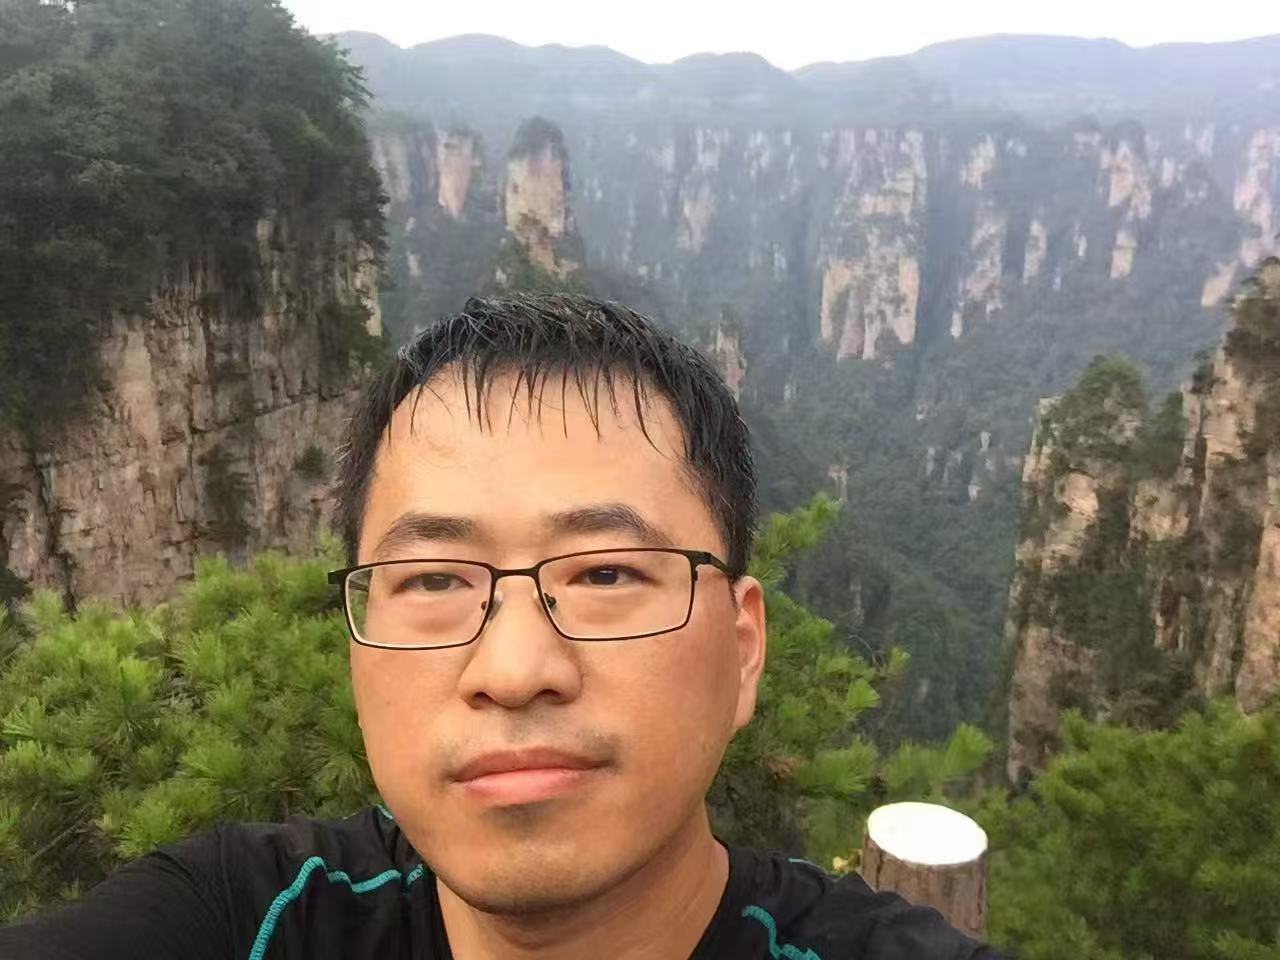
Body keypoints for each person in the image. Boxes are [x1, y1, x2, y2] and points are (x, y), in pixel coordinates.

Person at [0, 294, 1001, 959]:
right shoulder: (240, 922)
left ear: (742, 651)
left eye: (605, 571)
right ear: (357, 649)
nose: (515, 668)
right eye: (434, 578)